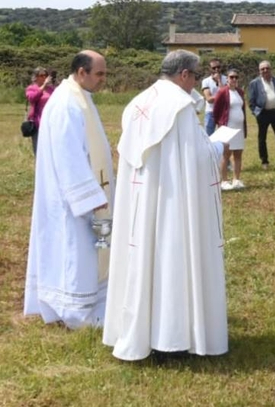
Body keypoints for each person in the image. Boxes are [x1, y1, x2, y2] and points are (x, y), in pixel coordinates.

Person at [103, 50, 228, 361]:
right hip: (174, 202)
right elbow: (196, 158)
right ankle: (173, 336)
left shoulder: (137, 102)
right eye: (196, 75)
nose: (196, 82)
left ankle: (143, 332)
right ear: (184, 74)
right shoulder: (180, 107)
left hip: (143, 202)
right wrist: (218, 146)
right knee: (173, 261)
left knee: (144, 260)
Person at [24, 51, 113, 329]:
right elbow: (68, 155)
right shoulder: (66, 103)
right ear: (81, 72)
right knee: (72, 251)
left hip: (82, 193)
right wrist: (89, 196)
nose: (103, 80)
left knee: (77, 252)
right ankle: (75, 311)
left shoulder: (80, 98)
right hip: (71, 200)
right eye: (99, 74)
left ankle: (80, 306)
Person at [247, 60, 275, 169]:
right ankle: (264, 161)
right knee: (262, 138)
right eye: (262, 69)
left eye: (267, 68)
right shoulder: (254, 83)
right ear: (259, 71)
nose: (265, 70)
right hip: (263, 114)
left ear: (271, 69)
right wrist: (257, 113)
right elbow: (251, 101)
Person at [213, 68, 247, 190]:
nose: (234, 79)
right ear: (226, 78)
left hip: (239, 128)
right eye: (231, 77)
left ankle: (236, 180)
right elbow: (216, 110)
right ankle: (224, 181)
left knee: (238, 154)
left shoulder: (240, 92)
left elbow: (242, 108)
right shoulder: (222, 92)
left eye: (236, 77)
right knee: (226, 154)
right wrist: (220, 124)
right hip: (227, 127)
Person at [25, 67, 55, 154]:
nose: (44, 77)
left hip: (51, 120)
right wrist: (43, 86)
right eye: (41, 75)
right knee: (38, 149)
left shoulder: (51, 89)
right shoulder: (31, 88)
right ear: (36, 77)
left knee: (51, 148)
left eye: (45, 75)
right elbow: (32, 98)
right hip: (38, 121)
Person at [201, 58, 226, 135]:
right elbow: (209, 99)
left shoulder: (226, 79)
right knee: (208, 136)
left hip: (223, 111)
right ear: (209, 69)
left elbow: (226, 96)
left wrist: (219, 81)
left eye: (218, 67)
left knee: (223, 136)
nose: (216, 69)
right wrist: (221, 96)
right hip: (210, 111)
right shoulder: (206, 81)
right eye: (214, 68)